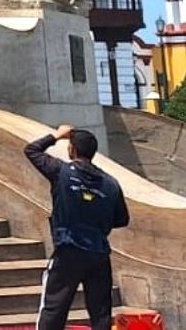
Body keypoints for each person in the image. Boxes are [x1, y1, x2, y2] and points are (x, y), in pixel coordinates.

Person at [25, 124, 130, 330]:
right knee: (100, 313)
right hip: (98, 254)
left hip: (68, 250)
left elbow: (31, 150)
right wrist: (96, 221)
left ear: (71, 149)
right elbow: (122, 219)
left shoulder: (61, 171)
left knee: (54, 309)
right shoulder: (111, 184)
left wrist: (57, 135)